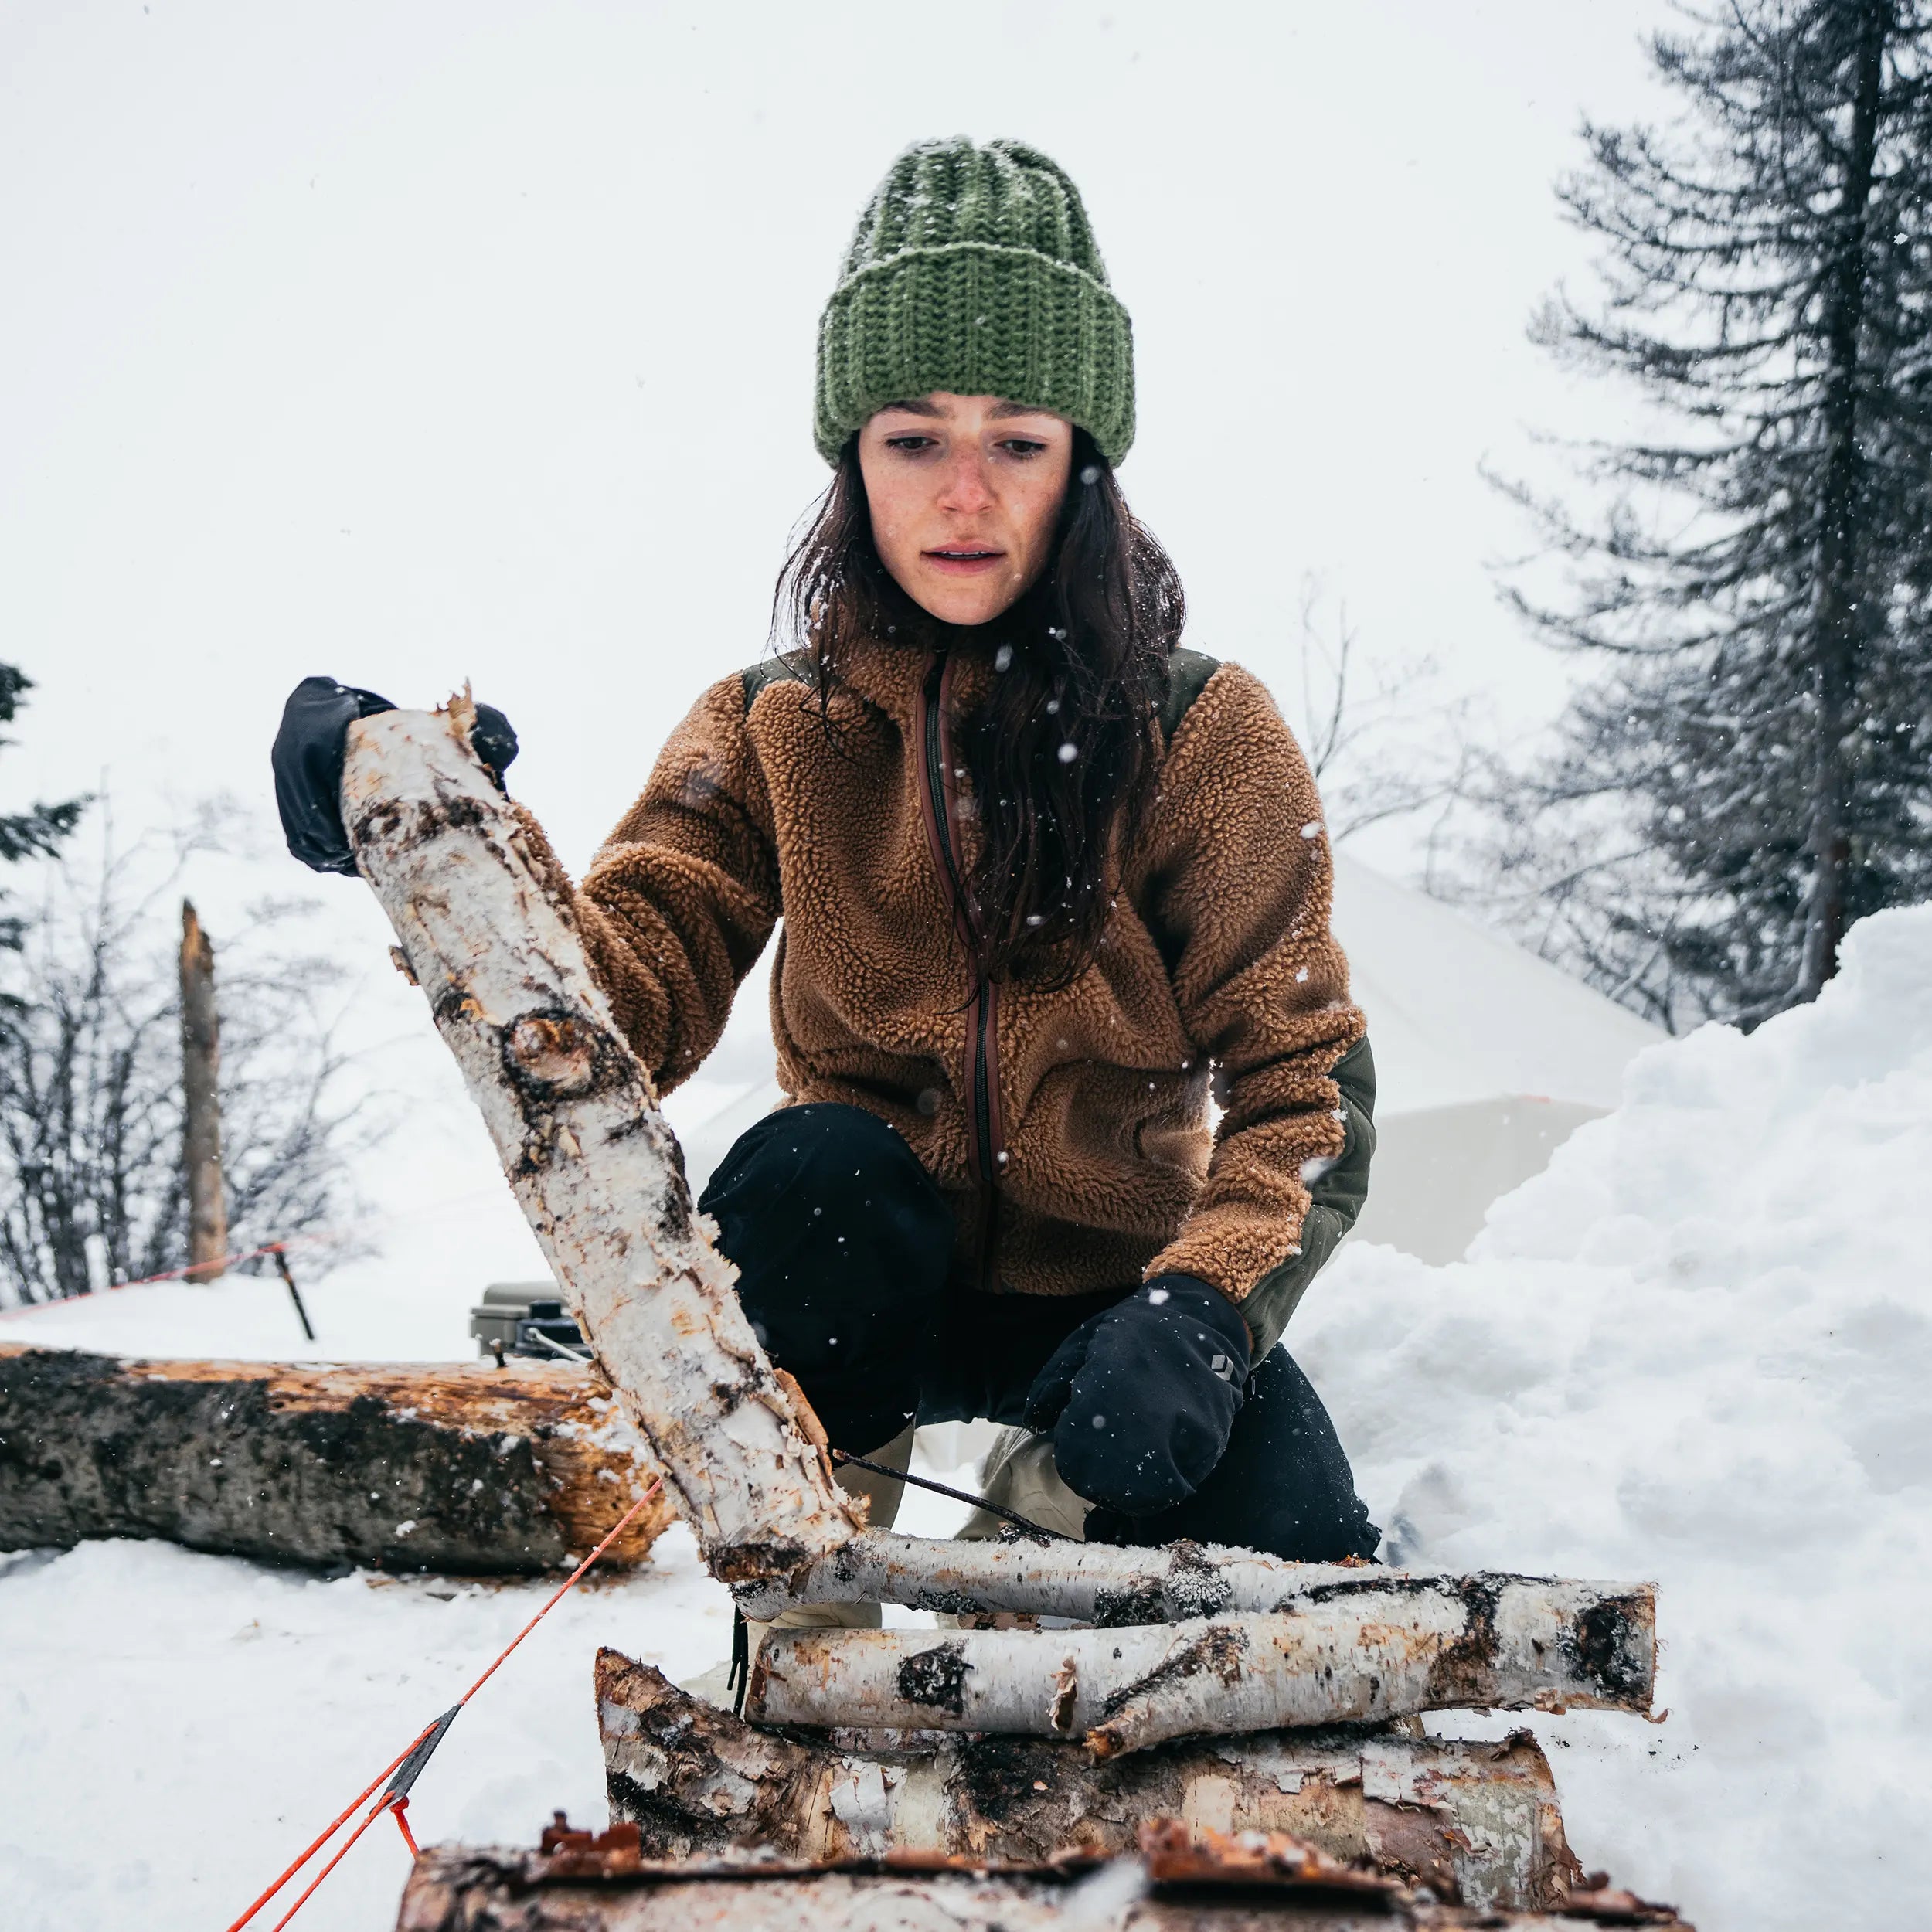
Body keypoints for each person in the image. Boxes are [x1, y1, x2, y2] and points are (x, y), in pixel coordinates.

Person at [273, 138, 1381, 1607]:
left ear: (1087, 462)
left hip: (1109, 1301)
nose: (965, 495)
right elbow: (630, 1005)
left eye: (1019, 440)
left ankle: (1039, 1515)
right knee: (813, 1172)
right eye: (915, 438)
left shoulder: (1202, 733)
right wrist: (441, 827)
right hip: (866, 1284)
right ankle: (820, 1579)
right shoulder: (775, 723)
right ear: (853, 457)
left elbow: (1309, 1094)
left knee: (1295, 1538)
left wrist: (1203, 1307)